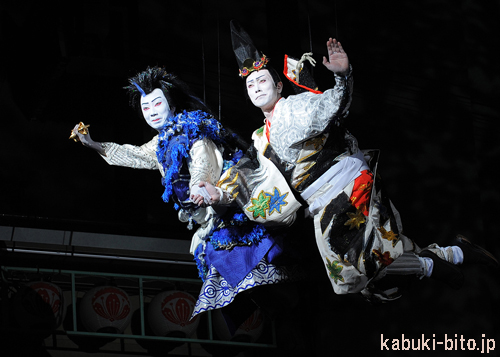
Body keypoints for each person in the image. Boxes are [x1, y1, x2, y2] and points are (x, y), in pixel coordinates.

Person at [192, 21, 499, 303]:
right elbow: (254, 176)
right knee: (365, 271)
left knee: (368, 262)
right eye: (250, 85)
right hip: (321, 203)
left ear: (279, 85)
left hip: (347, 186)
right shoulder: (261, 136)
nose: (256, 87)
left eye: (262, 81)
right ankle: (456, 254)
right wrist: (217, 192)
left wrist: (341, 78)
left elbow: (331, 107)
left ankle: (436, 268)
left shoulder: (295, 108)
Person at [70, 66, 302, 325]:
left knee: (233, 258)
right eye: (146, 108)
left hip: (224, 204)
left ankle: (290, 303)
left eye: (157, 103)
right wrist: (94, 144)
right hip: (207, 217)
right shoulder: (160, 142)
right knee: (225, 267)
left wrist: (199, 184)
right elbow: (134, 155)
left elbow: (202, 157)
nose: (153, 112)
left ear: (169, 103)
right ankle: (280, 308)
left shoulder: (191, 128)